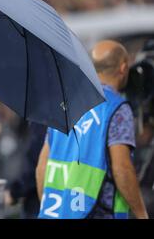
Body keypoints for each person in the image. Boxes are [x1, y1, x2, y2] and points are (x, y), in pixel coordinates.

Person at [36, 40, 149, 219]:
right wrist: (142, 214)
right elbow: (122, 169)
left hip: (55, 213)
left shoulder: (65, 105)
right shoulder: (116, 109)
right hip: (96, 212)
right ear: (123, 68)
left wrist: (52, 209)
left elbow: (43, 165)